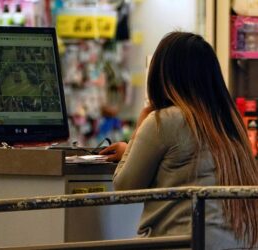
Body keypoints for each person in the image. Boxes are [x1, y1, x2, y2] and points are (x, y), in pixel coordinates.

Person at [99, 31, 258, 249]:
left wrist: (138, 131)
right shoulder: (231, 122)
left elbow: (125, 188)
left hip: (185, 243)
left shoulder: (164, 120)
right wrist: (131, 149)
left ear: (161, 75)